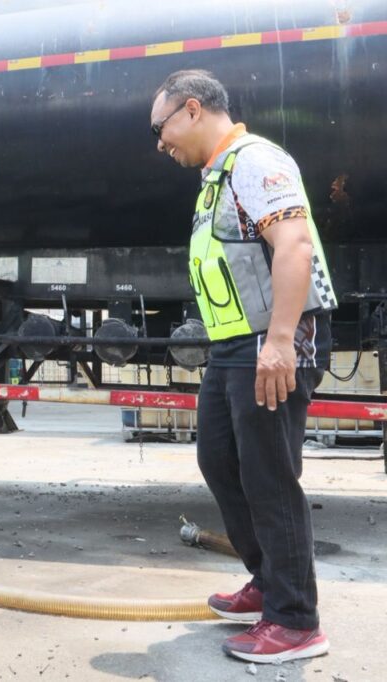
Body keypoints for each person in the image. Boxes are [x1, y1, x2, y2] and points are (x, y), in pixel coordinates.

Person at [151, 70, 336, 663]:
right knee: (220, 460)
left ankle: (296, 621)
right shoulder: (217, 179)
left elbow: (295, 246)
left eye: (162, 128)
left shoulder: (255, 161)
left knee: (267, 474)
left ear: (192, 109)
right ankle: (267, 583)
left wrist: (280, 340)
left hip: (274, 338)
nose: (160, 143)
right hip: (233, 344)